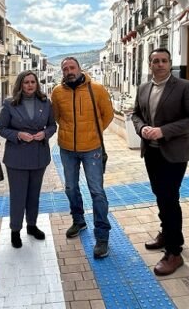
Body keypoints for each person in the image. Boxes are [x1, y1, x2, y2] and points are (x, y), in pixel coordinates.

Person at [131, 47, 189, 275]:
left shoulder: (184, 87)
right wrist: (142, 129)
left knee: (170, 198)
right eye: (155, 61)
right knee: (160, 195)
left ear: (170, 63)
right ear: (149, 64)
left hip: (174, 153)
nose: (160, 64)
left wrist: (163, 131)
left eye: (164, 60)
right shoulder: (143, 88)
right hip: (151, 152)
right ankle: (165, 232)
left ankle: (174, 251)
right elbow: (136, 114)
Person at [51, 57, 114, 258]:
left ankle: (102, 236)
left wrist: (92, 133)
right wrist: (70, 132)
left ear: (79, 69)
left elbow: (108, 114)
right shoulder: (57, 92)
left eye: (72, 67)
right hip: (67, 149)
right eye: (65, 68)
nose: (69, 71)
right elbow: (57, 116)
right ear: (62, 72)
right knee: (70, 187)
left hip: (92, 149)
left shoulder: (97, 89)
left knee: (97, 191)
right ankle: (78, 220)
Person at [0, 71, 57, 248]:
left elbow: (53, 125)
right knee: (18, 196)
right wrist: (18, 135)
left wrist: (44, 133)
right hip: (17, 158)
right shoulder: (9, 104)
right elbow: (1, 128)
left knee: (34, 195)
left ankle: (32, 226)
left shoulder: (46, 103)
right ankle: (15, 231)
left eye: (33, 82)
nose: (30, 85)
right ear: (20, 85)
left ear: (37, 84)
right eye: (26, 82)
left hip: (39, 156)